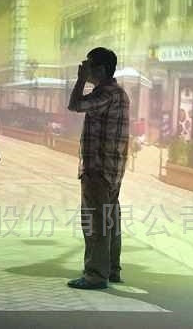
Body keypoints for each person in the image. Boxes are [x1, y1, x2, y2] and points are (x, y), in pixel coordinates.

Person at [67, 47, 130, 290]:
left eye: (89, 65)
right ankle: (112, 269)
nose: (84, 68)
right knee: (110, 220)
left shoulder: (106, 94)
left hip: (98, 169)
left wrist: (80, 80)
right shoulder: (118, 93)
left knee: (96, 223)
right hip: (112, 169)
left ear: (101, 69)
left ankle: (95, 275)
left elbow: (75, 104)